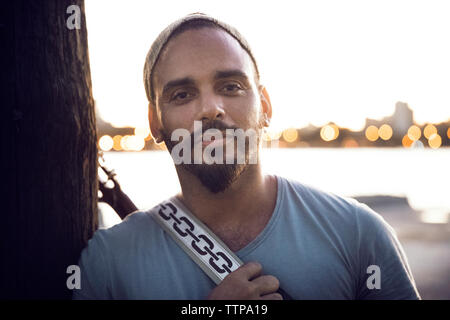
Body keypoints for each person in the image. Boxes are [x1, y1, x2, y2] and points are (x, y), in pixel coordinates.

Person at [73, 13, 420, 300]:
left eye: (230, 87)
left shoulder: (359, 235)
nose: (210, 108)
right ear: (155, 122)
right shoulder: (107, 264)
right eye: (182, 94)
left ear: (265, 106)